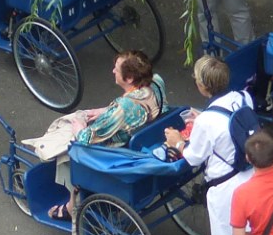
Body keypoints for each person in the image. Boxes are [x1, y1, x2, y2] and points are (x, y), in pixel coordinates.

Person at [165, 57, 257, 235]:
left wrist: (177, 142)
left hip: (226, 188)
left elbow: (194, 156)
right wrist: (202, 118)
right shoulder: (243, 98)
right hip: (251, 175)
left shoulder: (207, 121)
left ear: (202, 87)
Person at [25, 52, 168, 214]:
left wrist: (79, 127)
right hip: (148, 139)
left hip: (119, 154)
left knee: (72, 148)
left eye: (117, 69)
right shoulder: (156, 82)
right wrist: (107, 111)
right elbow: (130, 111)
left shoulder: (122, 108)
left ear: (129, 79)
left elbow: (86, 138)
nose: (113, 70)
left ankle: (72, 206)